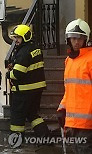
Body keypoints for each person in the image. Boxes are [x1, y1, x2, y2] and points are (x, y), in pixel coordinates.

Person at [6, 24, 49, 145]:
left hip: (24, 91)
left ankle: (16, 142)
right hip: (37, 89)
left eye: (18, 38)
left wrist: (8, 74)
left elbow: (17, 74)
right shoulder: (36, 49)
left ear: (25, 37)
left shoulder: (23, 52)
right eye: (15, 38)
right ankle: (45, 138)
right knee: (32, 114)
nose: (16, 41)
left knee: (17, 118)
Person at [57, 18, 92, 154]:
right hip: (71, 122)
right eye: (73, 38)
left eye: (80, 38)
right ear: (68, 40)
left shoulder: (90, 59)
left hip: (87, 124)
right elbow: (69, 89)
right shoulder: (69, 61)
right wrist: (62, 107)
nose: (76, 42)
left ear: (86, 40)